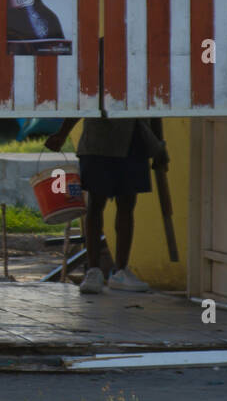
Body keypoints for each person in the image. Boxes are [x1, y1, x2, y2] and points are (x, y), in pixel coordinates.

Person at [44, 117, 169, 294]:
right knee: (95, 205)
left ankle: (121, 271)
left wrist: (158, 144)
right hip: (98, 141)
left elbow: (155, 109)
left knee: (127, 205)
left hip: (134, 141)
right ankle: (93, 271)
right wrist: (62, 133)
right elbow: (85, 99)